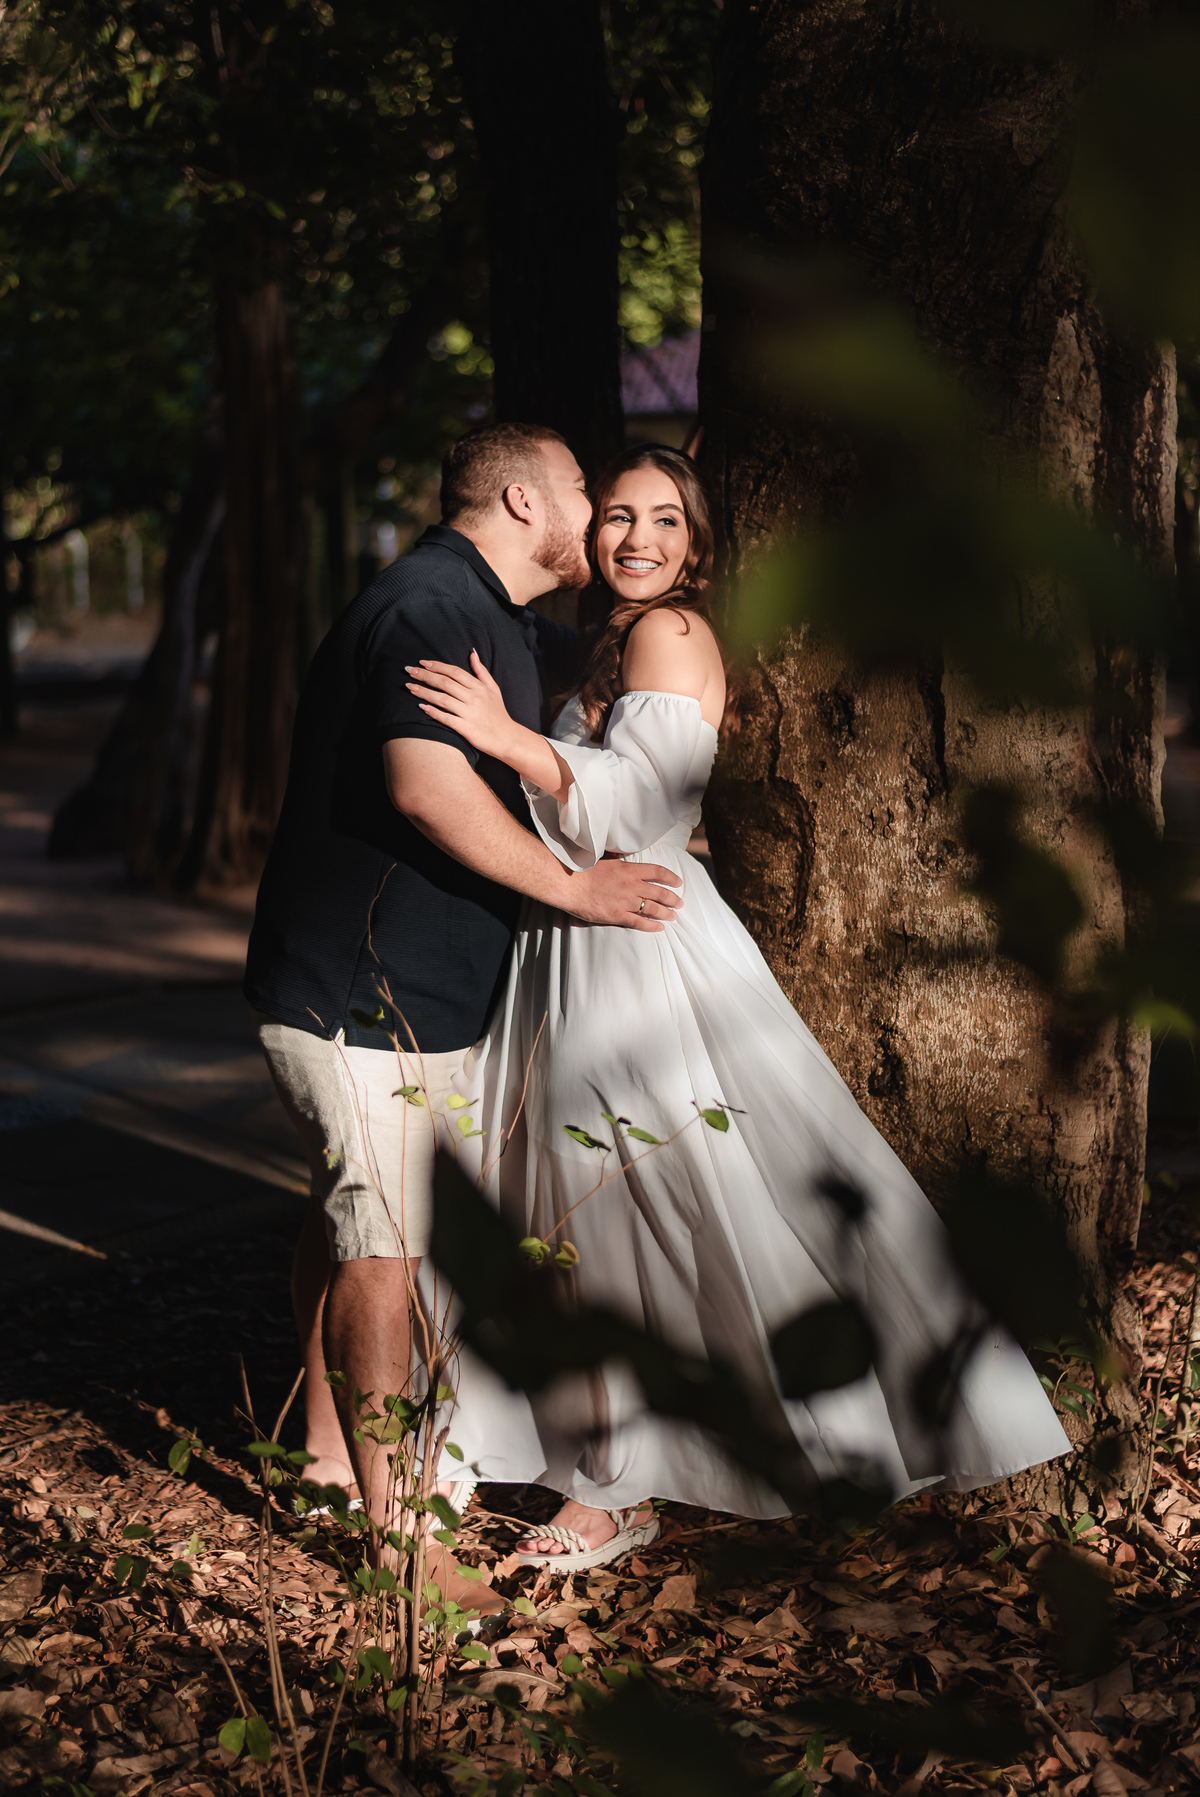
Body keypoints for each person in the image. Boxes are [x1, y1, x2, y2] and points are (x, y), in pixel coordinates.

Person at [404, 442, 1072, 1571]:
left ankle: (623, 1483)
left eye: (665, 520)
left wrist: (504, 737)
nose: (637, 538)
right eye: (618, 516)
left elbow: (636, 807)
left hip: (637, 944)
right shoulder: (607, 640)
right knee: (591, 1206)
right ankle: (607, 1465)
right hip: (579, 938)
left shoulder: (669, 632)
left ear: (698, 546)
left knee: (643, 1201)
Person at [244, 425, 683, 1604]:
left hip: (404, 997)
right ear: (523, 499)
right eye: (585, 491)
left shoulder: (502, 616)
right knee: (384, 1254)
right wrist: (576, 890)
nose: (598, 509)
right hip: (360, 998)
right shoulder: (431, 607)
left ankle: (327, 1463)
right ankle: (402, 1550)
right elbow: (425, 787)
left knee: (346, 1223)